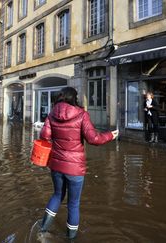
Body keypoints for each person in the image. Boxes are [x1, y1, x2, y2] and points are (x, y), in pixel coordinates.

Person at [39, 87, 119, 239]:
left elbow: (45, 135)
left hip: (56, 165)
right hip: (75, 169)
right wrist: (110, 135)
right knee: (73, 204)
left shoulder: (51, 114)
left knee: (57, 195)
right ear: (74, 98)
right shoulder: (82, 114)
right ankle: (71, 238)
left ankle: (42, 230)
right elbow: (93, 139)